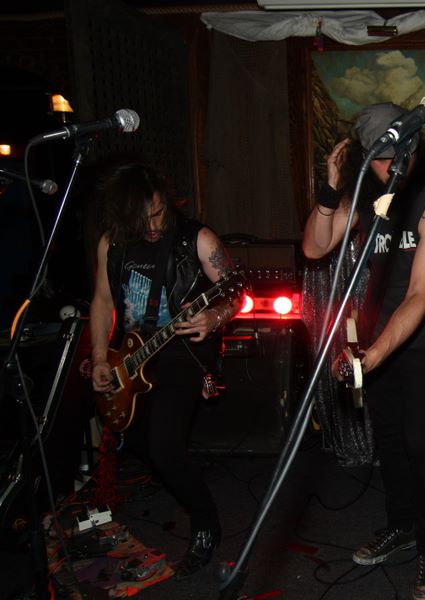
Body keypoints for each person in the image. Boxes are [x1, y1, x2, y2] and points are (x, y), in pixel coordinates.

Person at [303, 103, 425, 600]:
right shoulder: (370, 200)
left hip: (422, 344)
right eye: (380, 156)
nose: (392, 164)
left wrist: (373, 356)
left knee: (419, 443)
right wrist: (330, 189)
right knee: (388, 442)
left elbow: (419, 294)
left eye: (399, 152)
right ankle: (401, 526)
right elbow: (314, 248)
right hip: (375, 344)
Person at [89, 161, 241, 578]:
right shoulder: (112, 244)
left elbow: (236, 291)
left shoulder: (196, 238)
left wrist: (215, 316)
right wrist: (101, 358)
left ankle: (206, 524)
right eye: (143, 219)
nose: (154, 225)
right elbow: (102, 301)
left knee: (164, 447)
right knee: (136, 440)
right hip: (131, 357)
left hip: (182, 352)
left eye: (158, 213)